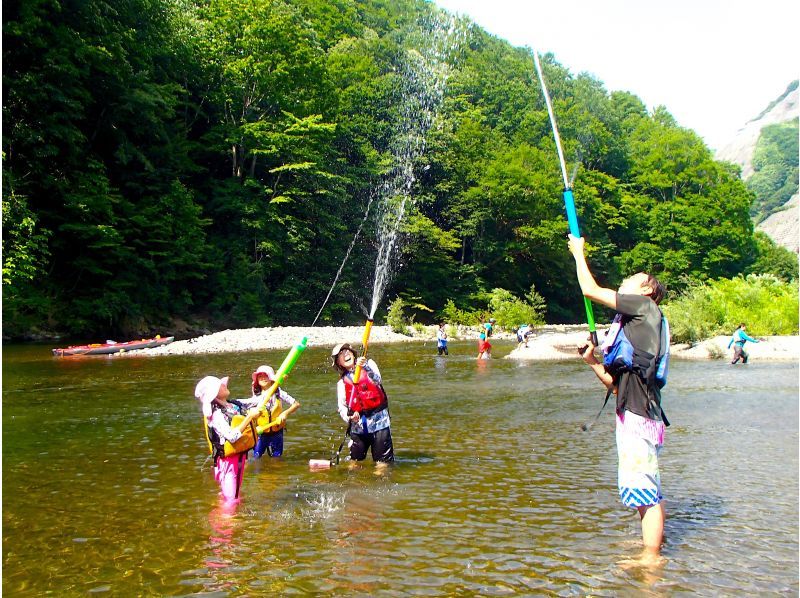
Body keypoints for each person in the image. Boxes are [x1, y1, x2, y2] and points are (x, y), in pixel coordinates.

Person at [567, 234, 669, 560]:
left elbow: (590, 290)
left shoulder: (644, 308)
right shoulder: (633, 325)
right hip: (636, 412)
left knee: (647, 494)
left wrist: (578, 252)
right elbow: (614, 385)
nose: (625, 281)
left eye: (632, 279)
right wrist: (592, 362)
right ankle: (650, 546)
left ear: (646, 290)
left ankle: (651, 561)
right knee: (644, 489)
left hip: (640, 415)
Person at [195, 375, 261, 502]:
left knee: (233, 495)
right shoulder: (216, 415)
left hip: (238, 459)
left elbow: (258, 400)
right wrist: (249, 418)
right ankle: (228, 520)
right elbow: (232, 437)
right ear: (214, 394)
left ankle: (229, 517)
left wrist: (273, 383)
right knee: (231, 500)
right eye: (220, 385)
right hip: (228, 463)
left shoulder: (233, 404)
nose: (224, 385)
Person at [331, 342, 394, 467]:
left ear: (354, 355)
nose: (346, 354)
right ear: (339, 363)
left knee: (382, 465)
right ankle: (353, 485)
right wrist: (349, 417)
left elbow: (377, 380)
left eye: (347, 351)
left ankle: (380, 485)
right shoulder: (341, 383)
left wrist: (366, 367)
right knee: (354, 464)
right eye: (341, 354)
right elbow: (342, 408)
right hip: (358, 427)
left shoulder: (369, 364)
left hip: (379, 423)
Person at [250, 365, 301, 458]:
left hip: (277, 431)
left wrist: (285, 413)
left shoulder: (278, 392)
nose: (263, 378)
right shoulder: (256, 394)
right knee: (256, 457)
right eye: (260, 376)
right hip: (261, 432)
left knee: (276, 458)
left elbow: (296, 404)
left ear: (271, 378)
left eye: (266, 376)